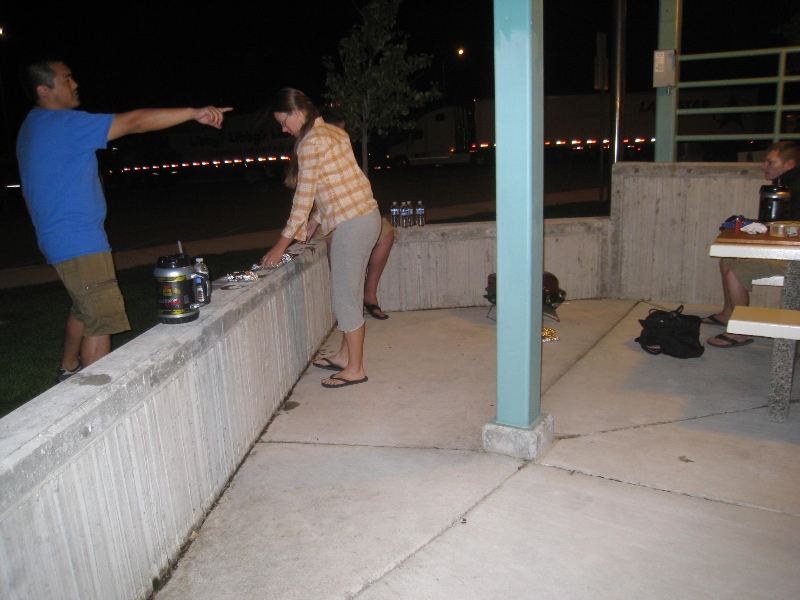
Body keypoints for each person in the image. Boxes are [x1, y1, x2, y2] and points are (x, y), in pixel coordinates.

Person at [16, 58, 231, 382]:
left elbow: (27, 191)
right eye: (67, 79)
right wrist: (193, 112)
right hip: (80, 240)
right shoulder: (64, 124)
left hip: (57, 238)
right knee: (102, 318)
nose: (75, 84)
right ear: (44, 90)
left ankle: (68, 369)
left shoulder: (31, 128)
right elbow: (134, 122)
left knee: (84, 306)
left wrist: (49, 231)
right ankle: (94, 398)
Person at [262, 89, 380, 388]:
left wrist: (281, 245)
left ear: (296, 112)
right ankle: (345, 355)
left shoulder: (311, 142)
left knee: (345, 296)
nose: (283, 129)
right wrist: (316, 220)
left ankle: (355, 369)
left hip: (352, 224)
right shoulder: (333, 131)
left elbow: (303, 198)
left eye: (283, 122)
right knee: (350, 292)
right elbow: (336, 183)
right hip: (365, 216)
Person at [704, 141, 800, 348]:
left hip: (793, 256)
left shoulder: (794, 190)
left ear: (789, 164)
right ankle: (728, 314)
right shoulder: (784, 186)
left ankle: (740, 331)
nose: (764, 166)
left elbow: (790, 231)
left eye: (770, 162)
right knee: (727, 260)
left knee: (736, 270)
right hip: (787, 250)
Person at [319, 106, 395, 320]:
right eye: (339, 129)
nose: (342, 134)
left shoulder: (342, 149)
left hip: (352, 212)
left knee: (386, 233)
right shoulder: (315, 148)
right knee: (337, 244)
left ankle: (368, 295)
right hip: (328, 216)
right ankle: (347, 304)